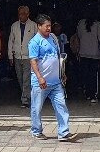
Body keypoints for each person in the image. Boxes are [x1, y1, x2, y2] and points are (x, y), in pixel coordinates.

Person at [28, 14, 78, 142]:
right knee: (37, 107)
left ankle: (63, 132)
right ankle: (36, 131)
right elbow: (33, 62)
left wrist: (62, 73)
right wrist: (40, 77)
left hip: (56, 81)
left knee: (61, 105)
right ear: (39, 26)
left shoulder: (53, 38)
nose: (49, 28)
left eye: (50, 25)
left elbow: (58, 57)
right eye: (46, 26)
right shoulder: (34, 42)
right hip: (41, 83)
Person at [76, 12, 100, 103]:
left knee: (85, 74)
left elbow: (79, 36)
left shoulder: (81, 23)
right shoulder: (97, 24)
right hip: (94, 53)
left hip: (83, 52)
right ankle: (93, 95)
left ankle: (87, 93)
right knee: (93, 75)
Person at [8, 6, 39, 108]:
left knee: (26, 78)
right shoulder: (14, 25)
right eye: (19, 14)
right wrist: (10, 55)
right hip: (17, 56)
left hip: (29, 57)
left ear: (27, 14)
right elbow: (11, 41)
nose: (21, 16)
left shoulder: (33, 25)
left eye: (23, 14)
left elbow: (37, 41)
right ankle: (27, 95)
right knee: (20, 78)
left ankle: (25, 100)